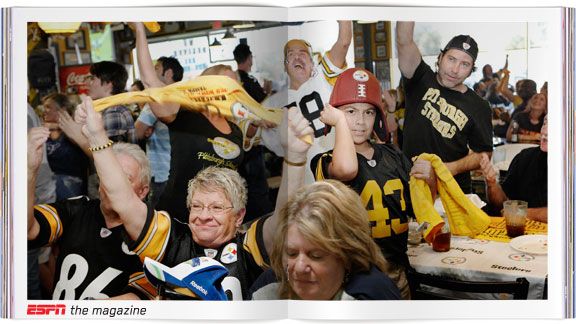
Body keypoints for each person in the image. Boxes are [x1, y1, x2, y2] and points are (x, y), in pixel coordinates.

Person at [73, 94, 314, 300]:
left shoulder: (249, 248)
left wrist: (294, 158)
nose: (204, 216)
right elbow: (122, 199)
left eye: (217, 208)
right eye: (197, 206)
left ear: (239, 215)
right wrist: (96, 136)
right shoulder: (173, 240)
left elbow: (284, 220)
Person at [311, 68, 435, 299]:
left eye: (368, 112)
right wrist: (339, 122)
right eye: (350, 111)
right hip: (353, 277)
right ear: (334, 114)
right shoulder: (326, 160)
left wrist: (429, 179)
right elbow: (347, 169)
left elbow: (422, 207)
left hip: (397, 271)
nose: (360, 121)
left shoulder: (393, 155)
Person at [130, 22, 244, 223]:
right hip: (177, 218)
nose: (230, 89)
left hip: (215, 221)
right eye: (224, 83)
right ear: (206, 86)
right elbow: (150, 82)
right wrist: (140, 30)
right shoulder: (185, 114)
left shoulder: (235, 130)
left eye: (235, 84)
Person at [28, 129, 145, 300]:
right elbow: (28, 229)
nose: (113, 185)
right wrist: (29, 171)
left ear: (143, 191)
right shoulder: (78, 208)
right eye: (109, 176)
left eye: (124, 179)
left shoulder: (150, 231)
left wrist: (80, 314)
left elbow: (141, 298)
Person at [251, 180, 401, 300]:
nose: (299, 267)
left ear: (348, 256)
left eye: (316, 256)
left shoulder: (371, 297)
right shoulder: (268, 289)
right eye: (291, 253)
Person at [396, 22, 493, 193]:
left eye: (465, 64)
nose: (455, 69)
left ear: (471, 70)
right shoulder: (420, 78)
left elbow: (484, 155)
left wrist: (450, 168)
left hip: (453, 190)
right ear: (440, 57)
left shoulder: (480, 106)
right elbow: (404, 40)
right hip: (412, 184)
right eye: (451, 59)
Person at [260, 21, 352, 183]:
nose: (297, 57)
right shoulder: (271, 104)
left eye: (303, 53)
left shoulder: (324, 78)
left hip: (337, 169)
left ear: (312, 62)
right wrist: (258, 122)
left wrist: (343, 14)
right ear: (285, 66)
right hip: (301, 178)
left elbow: (344, 42)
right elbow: (248, 137)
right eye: (291, 54)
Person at [134, 57, 183, 209]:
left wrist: (147, 128)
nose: (152, 73)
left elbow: (137, 132)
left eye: (156, 68)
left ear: (168, 73)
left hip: (161, 174)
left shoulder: (157, 100)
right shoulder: (185, 97)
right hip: (182, 170)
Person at [480, 115, 548, 223]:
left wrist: (521, 213)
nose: (545, 130)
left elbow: (567, 214)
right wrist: (492, 184)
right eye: (545, 123)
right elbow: (502, 206)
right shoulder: (525, 158)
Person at [42, 93, 89, 200]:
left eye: (48, 107)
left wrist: (56, 125)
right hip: (48, 182)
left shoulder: (73, 129)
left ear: (62, 110)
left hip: (70, 181)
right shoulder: (42, 130)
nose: (44, 110)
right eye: (44, 107)